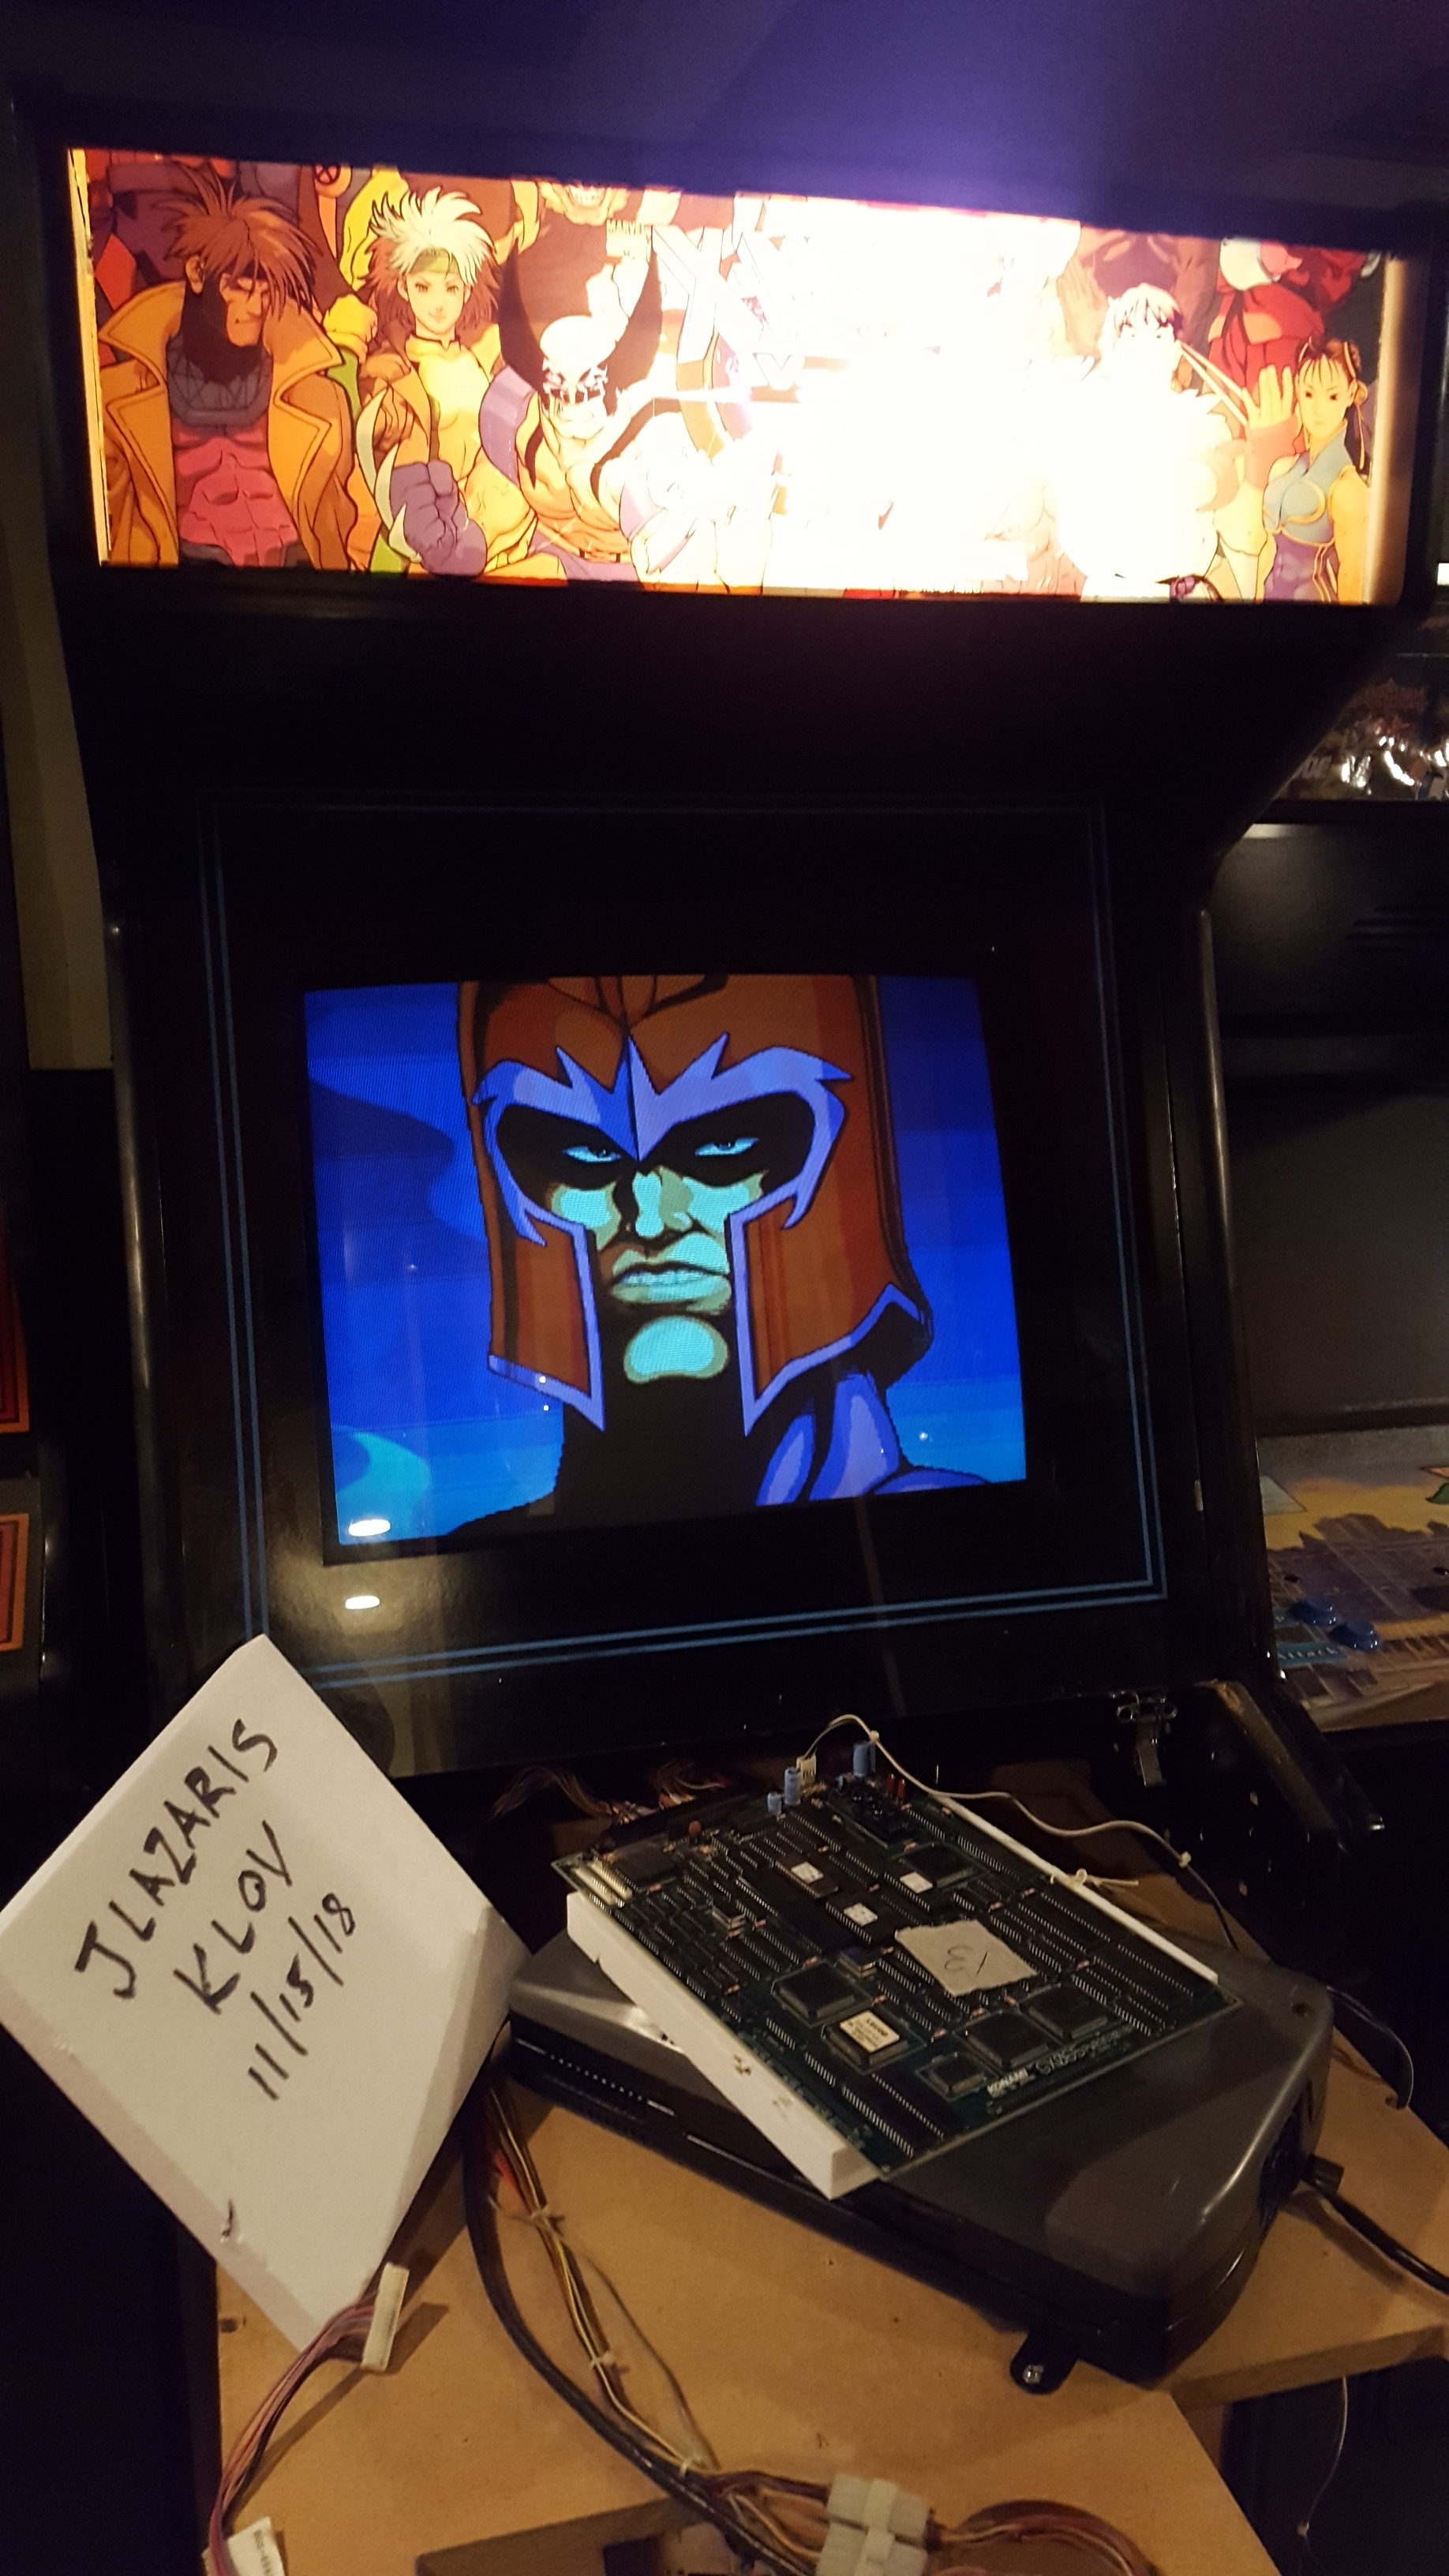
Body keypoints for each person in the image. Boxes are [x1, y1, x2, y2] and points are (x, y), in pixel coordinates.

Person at [455, 975, 984, 1526]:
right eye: (587, 1155)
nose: (651, 1219)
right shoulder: (491, 1546)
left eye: (722, 1146)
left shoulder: (942, 1525)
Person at [97, 163, 354, 568]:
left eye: (265, 292)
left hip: (296, 572)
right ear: (199, 274)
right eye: (240, 288)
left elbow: (335, 520)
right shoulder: (119, 399)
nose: (255, 308)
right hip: (189, 582)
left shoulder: (321, 400)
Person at [345, 186, 540, 578]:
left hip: (503, 533)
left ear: (467, 291)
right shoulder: (394, 372)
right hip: (437, 539)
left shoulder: (482, 357)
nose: (438, 303)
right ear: (404, 287)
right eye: (424, 286)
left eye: (451, 288)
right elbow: (395, 465)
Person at [1218, 337, 1370, 604]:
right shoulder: (1284, 467)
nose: (1319, 408)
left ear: (1350, 394)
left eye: (1332, 396)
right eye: (1310, 394)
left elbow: (1352, 577)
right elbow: (1265, 548)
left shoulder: (1348, 488)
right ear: (1298, 388)